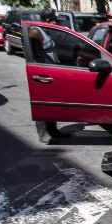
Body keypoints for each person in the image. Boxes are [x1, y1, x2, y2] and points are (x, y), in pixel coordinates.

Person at [29, 8, 69, 144]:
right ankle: (43, 132)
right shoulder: (36, 31)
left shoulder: (47, 32)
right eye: (54, 21)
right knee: (42, 103)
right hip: (42, 74)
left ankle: (53, 129)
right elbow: (34, 52)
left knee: (52, 103)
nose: (56, 23)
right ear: (46, 21)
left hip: (52, 72)